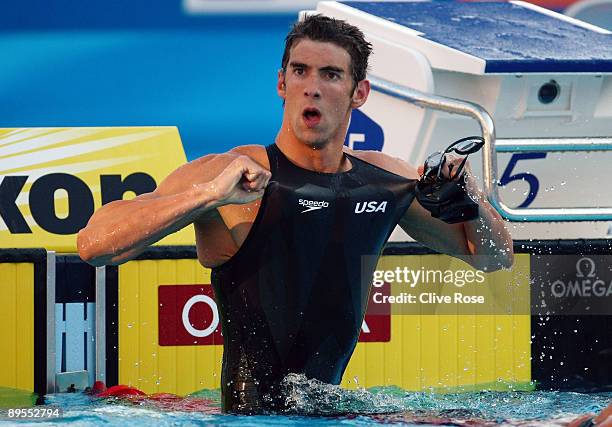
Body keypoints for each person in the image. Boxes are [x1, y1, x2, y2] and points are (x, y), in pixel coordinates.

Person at [77, 15, 513, 414]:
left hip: (331, 411)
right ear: (282, 83)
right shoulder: (231, 175)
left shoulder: (385, 180)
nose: (312, 87)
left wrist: (470, 201)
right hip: (248, 419)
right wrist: (207, 197)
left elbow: (494, 257)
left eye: (330, 74)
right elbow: (94, 245)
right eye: (300, 71)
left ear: (359, 92)